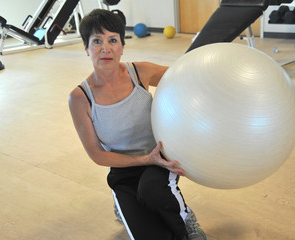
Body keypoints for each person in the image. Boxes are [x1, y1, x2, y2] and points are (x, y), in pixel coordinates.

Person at [68, 9, 207, 240]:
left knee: (152, 192)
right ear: (86, 48)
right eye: (96, 41)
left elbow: (187, 78)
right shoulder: (80, 98)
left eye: (113, 40)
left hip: (159, 159)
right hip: (123, 169)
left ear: (122, 45)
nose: (106, 49)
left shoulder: (140, 72)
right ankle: (122, 201)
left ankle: (185, 218)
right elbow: (97, 154)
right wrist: (143, 160)